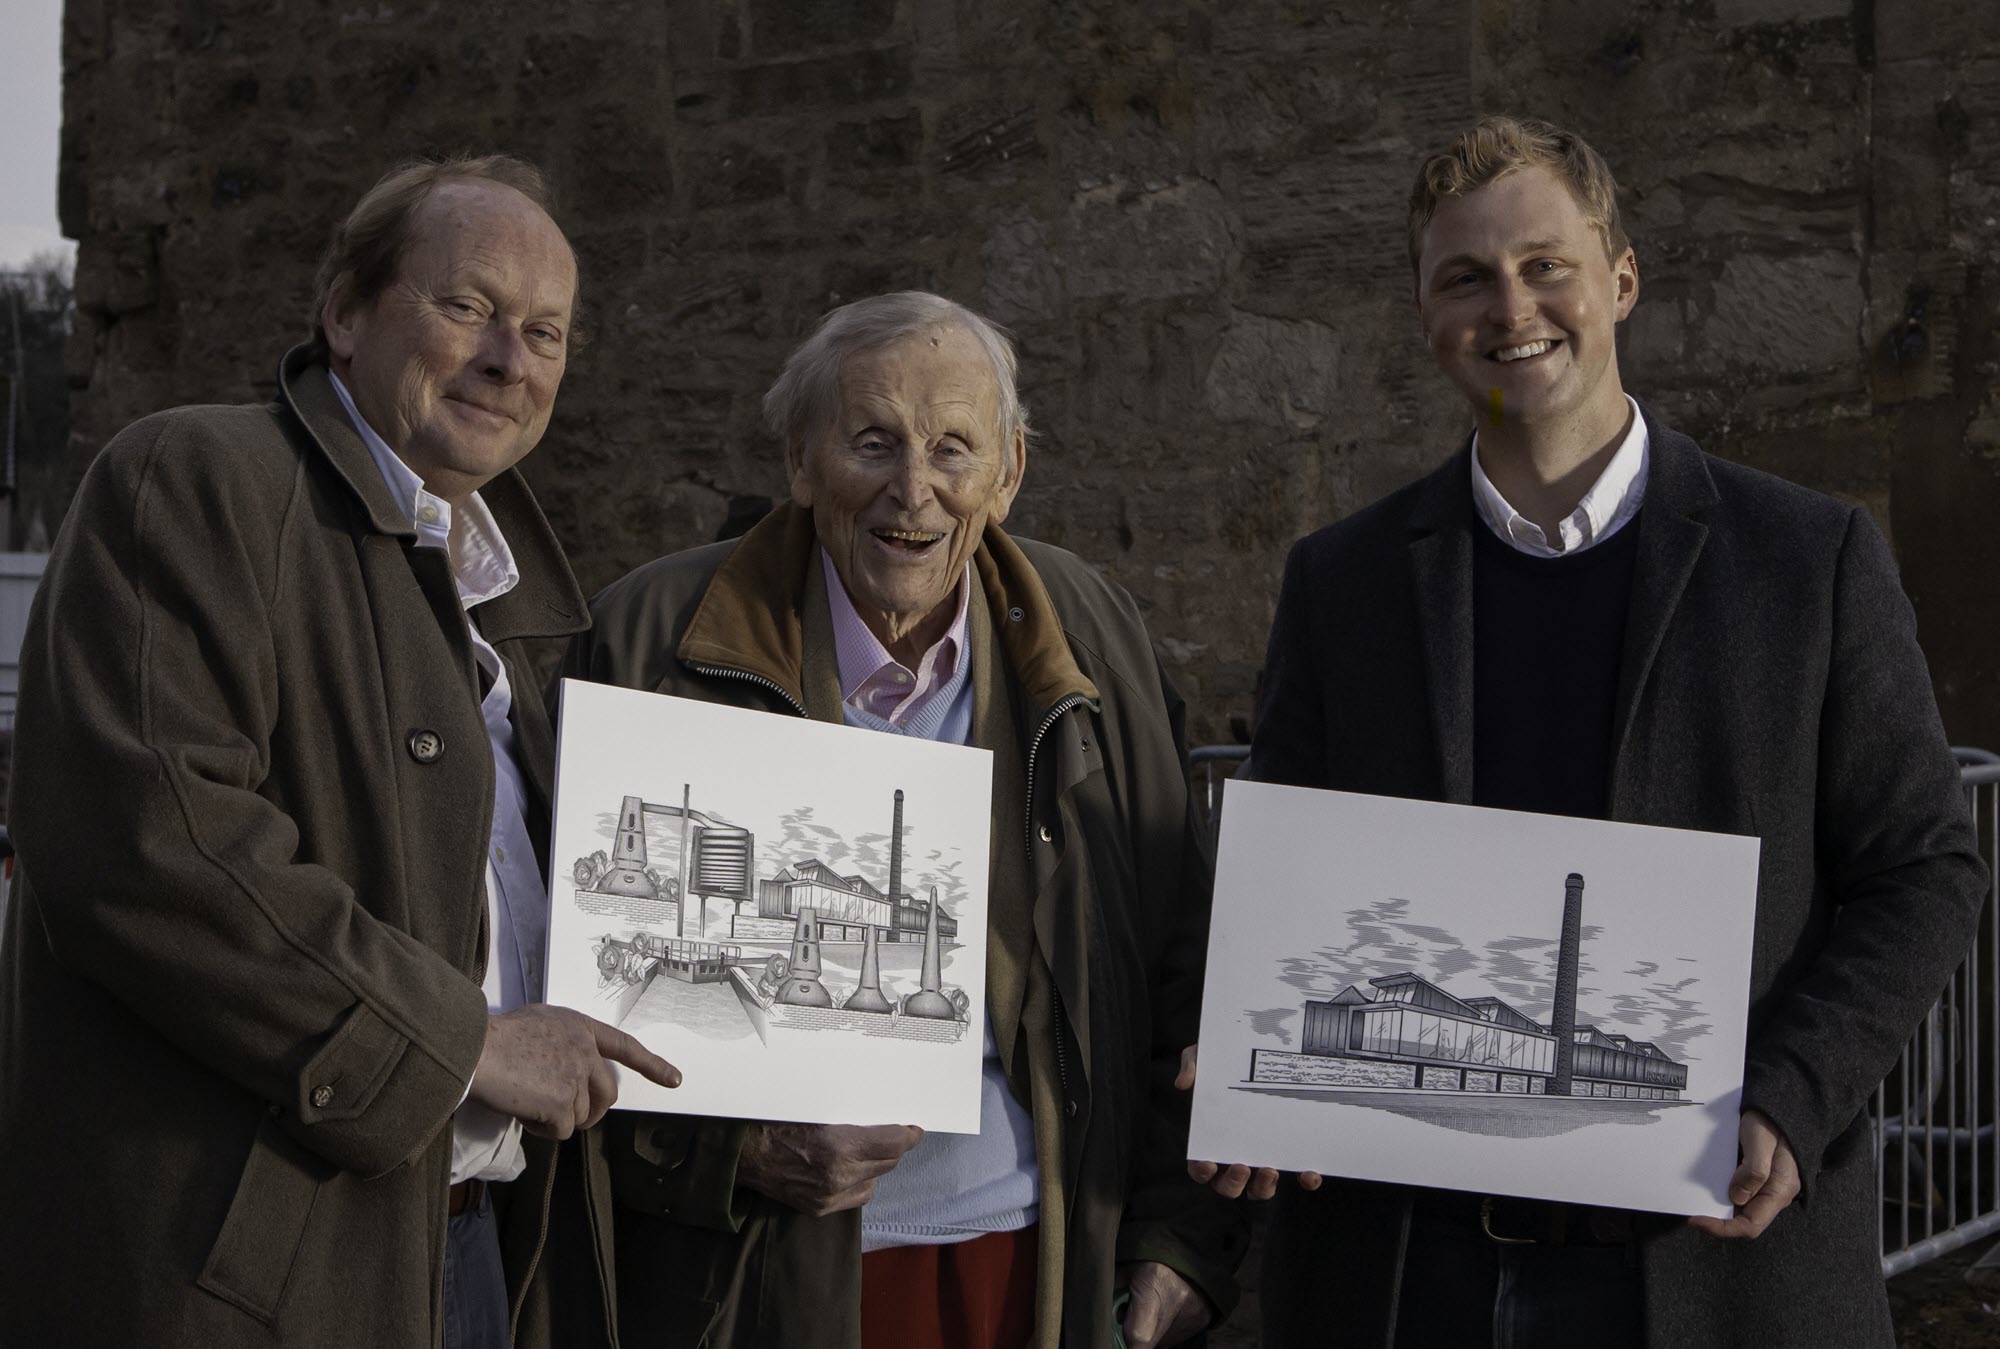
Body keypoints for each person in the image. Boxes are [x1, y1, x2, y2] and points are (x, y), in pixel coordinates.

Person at [1194, 116, 1987, 1348]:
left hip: (1713, 1270)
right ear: (1422, 312)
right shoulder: (1341, 581)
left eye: (1543, 264)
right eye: (1463, 276)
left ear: (1618, 279)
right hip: (1408, 1273)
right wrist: (1244, 1050)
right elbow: (1281, 882)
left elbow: (1925, 866)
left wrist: (1791, 1090)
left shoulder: (1804, 558)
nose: (1510, 306)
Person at [0, 155, 679, 1349]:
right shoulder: (196, 478)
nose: (508, 358)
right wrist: (463, 1042)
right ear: (347, 311)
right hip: (254, 1269)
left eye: (546, 332)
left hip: (472, 1239)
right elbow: (152, 846)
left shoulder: (512, 606)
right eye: (465, 305)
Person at [564, 290, 1245, 1349]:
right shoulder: (643, 638)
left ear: (1008, 471)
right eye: (871, 441)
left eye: (951, 448)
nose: (912, 490)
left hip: (1031, 1259)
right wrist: (729, 1150)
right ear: (798, 460)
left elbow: (1182, 952)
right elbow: (556, 986)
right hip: (750, 1279)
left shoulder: (1091, 632)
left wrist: (1179, 1240)